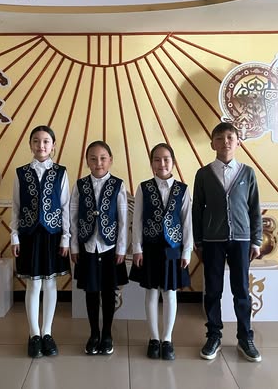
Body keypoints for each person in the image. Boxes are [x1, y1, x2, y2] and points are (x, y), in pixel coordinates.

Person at [192, 122, 263, 363]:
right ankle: (213, 335)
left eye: (230, 137)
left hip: (242, 240)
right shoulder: (203, 174)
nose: (226, 142)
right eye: (220, 138)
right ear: (212, 144)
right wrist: (198, 241)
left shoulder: (247, 173)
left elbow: (254, 208)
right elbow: (197, 210)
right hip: (212, 240)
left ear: (238, 142)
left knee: (241, 290)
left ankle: (245, 337)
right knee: (213, 290)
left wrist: (256, 240)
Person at [10, 125, 71, 358]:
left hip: (53, 235)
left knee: (51, 283)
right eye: (36, 141)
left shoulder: (61, 172)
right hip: (29, 234)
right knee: (33, 284)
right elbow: (16, 206)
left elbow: (65, 206)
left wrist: (66, 238)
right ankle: (34, 333)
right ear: (30, 145)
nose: (41, 145)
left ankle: (47, 333)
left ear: (53, 145)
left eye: (46, 141)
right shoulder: (21, 173)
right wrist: (14, 235)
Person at [129, 143, 192, 361]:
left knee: (169, 292)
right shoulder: (143, 188)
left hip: (173, 249)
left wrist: (187, 251)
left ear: (173, 162)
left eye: (166, 159)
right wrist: (137, 248)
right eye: (157, 159)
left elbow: (187, 222)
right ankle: (154, 338)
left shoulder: (183, 189)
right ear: (151, 163)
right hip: (150, 247)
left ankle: (167, 338)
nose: (161, 163)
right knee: (151, 293)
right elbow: (137, 220)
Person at [70, 140, 129, 355]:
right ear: (87, 161)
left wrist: (121, 248)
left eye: (103, 158)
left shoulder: (118, 185)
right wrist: (74, 246)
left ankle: (107, 334)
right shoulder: (80, 185)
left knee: (108, 291)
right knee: (91, 291)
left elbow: (123, 219)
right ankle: (94, 333)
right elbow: (73, 217)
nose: (98, 163)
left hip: (109, 247)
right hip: (87, 246)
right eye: (93, 159)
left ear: (110, 160)